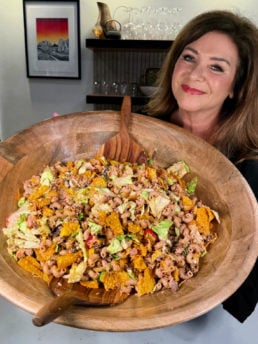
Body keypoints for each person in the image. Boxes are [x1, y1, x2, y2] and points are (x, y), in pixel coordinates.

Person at [146, 10, 258, 323]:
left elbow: (244, 293)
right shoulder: (139, 131)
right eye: (189, 57)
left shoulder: (249, 168)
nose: (195, 74)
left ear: (236, 86)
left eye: (217, 67)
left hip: (205, 323)